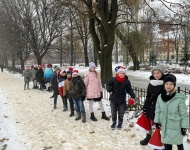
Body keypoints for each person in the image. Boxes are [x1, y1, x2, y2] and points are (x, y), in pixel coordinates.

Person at [154, 74, 189, 150]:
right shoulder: (160, 97)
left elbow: (184, 114)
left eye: (171, 84)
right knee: (167, 145)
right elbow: (158, 110)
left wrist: (184, 127)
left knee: (179, 144)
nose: (168, 86)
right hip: (165, 126)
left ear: (174, 85)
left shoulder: (179, 98)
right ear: (164, 85)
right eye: (166, 84)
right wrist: (157, 121)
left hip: (176, 126)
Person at [140, 65, 166, 145]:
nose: (156, 75)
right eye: (154, 73)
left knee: (157, 125)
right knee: (149, 123)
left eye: (158, 73)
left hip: (159, 108)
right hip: (150, 107)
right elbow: (148, 96)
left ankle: (158, 141)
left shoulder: (165, 83)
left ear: (162, 73)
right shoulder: (151, 83)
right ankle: (148, 137)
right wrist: (145, 107)